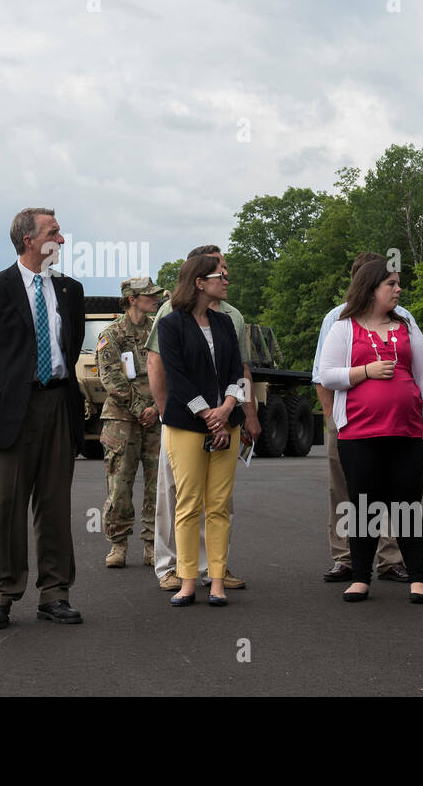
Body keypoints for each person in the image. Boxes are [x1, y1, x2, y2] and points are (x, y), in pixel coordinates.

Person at [0, 207, 85, 630]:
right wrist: (6, 390)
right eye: (54, 232)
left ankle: (55, 594)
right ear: (29, 240)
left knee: (54, 506)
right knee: (7, 507)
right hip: (12, 409)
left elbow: (71, 347)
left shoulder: (71, 290)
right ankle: (1, 594)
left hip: (59, 406)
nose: (62, 240)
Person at [319, 256, 423, 604]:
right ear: (372, 289)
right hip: (358, 433)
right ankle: (360, 577)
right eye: (392, 284)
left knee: (407, 503)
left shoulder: (407, 326)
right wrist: (366, 372)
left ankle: (418, 577)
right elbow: (327, 375)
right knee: (363, 505)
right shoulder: (343, 326)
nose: (399, 289)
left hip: (406, 432)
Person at [145, 245, 258, 591]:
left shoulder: (230, 319)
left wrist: (233, 411)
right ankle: (177, 572)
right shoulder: (169, 318)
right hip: (184, 421)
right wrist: (190, 413)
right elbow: (167, 370)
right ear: (197, 281)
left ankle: (216, 575)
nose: (226, 277)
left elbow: (238, 371)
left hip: (226, 417)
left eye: (224, 271)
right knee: (183, 500)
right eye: (219, 273)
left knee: (219, 504)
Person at [311, 253, 414, 584]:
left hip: (396, 424)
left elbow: (417, 368)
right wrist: (332, 420)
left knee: (393, 491)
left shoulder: (404, 318)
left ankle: (392, 557)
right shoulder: (336, 319)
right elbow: (322, 374)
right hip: (348, 424)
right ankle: (346, 558)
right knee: (344, 491)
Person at [95, 277, 165, 568]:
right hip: (122, 419)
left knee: (157, 486)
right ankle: (118, 544)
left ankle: (152, 545)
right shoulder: (112, 334)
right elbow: (111, 377)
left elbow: (171, 371)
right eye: (149, 295)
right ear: (132, 298)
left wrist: (156, 408)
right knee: (119, 486)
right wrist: (141, 408)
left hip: (156, 415)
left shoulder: (159, 332)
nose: (155, 300)